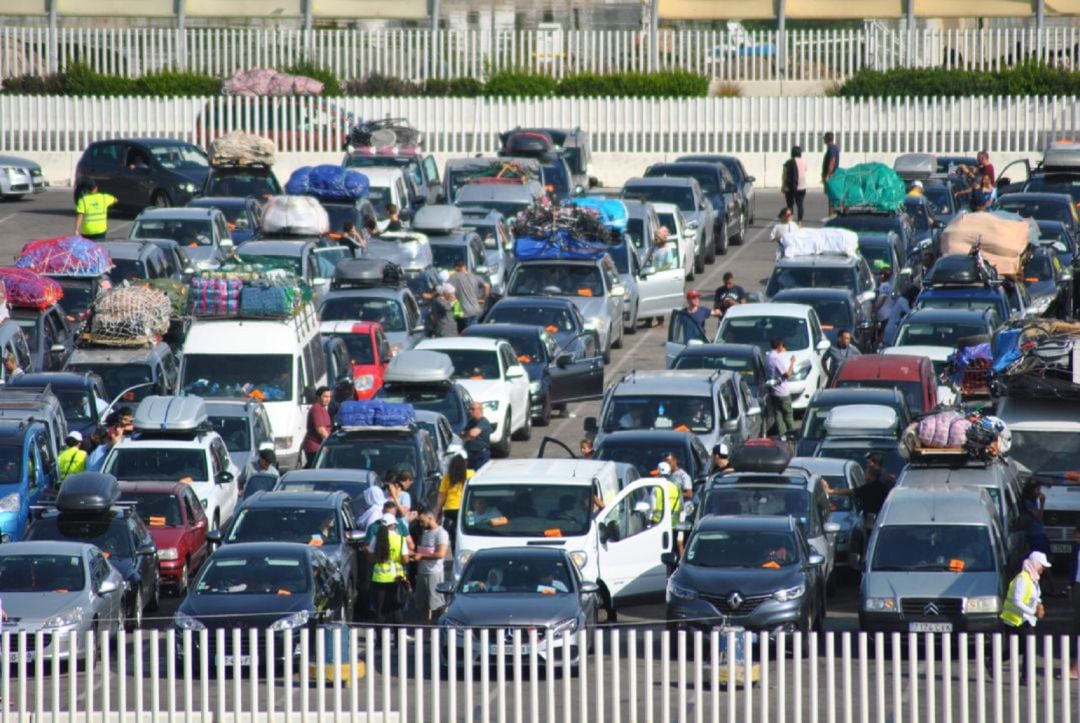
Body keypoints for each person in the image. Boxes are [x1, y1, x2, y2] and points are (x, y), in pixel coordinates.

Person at [1000, 551, 1050, 684]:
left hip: (1024, 619)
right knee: (1028, 647)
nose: (1043, 569)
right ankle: (1026, 677)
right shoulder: (1022, 579)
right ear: (1035, 564)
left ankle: (994, 660)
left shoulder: (1033, 579)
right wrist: (1032, 611)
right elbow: (1016, 600)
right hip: (1017, 620)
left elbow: (1035, 596)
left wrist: (1039, 604)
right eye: (1042, 566)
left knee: (1020, 648)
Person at [369, 515, 411, 626]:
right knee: (396, 609)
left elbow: (371, 555)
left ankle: (379, 641)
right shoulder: (400, 538)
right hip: (396, 579)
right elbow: (406, 559)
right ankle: (398, 640)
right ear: (392, 525)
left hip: (379, 578)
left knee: (380, 610)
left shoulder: (376, 538)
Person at [412, 509, 449, 621]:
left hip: (434, 573)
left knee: (436, 604)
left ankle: (437, 630)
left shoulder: (441, 533)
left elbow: (441, 553)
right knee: (423, 605)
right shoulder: (425, 533)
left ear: (430, 518)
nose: (421, 524)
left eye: (423, 521)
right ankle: (426, 631)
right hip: (422, 572)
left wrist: (422, 556)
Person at [765, 336, 797, 439]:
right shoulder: (777, 358)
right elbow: (787, 374)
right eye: (783, 346)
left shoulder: (768, 356)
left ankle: (782, 436)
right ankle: (792, 435)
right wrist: (792, 362)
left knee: (778, 414)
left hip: (773, 391)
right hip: (782, 391)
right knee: (788, 415)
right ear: (779, 346)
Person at [435, 455, 471, 539]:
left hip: (450, 509)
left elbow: (442, 496)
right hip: (465, 508)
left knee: (451, 533)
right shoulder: (470, 474)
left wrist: (438, 511)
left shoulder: (447, 477)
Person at [450, 258, 490, 331]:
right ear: (465, 266)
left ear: (456, 267)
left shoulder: (454, 277)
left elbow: (450, 293)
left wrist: (456, 312)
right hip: (475, 310)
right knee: (474, 333)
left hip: (463, 313)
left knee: (464, 335)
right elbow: (486, 285)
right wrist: (484, 299)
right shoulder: (474, 276)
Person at [302, 386, 333, 468]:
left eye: (329, 397)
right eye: (325, 396)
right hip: (315, 448)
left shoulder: (323, 409)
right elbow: (320, 430)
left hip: (320, 447)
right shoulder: (316, 408)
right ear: (318, 397)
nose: (328, 399)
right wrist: (330, 444)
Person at [462, 402, 492, 470]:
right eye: (470, 409)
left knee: (479, 474)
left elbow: (473, 433)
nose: (470, 411)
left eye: (472, 409)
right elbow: (462, 435)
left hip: (481, 454)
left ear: (479, 410)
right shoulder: (471, 421)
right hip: (470, 453)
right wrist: (467, 435)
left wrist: (467, 434)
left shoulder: (483, 421)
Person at [781, 146, 808, 222]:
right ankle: (800, 222)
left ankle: (790, 221)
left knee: (790, 205)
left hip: (790, 187)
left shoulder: (788, 162)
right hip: (802, 186)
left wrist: (783, 187)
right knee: (800, 204)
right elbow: (805, 170)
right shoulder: (804, 162)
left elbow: (784, 175)